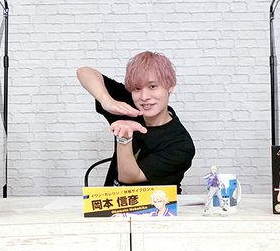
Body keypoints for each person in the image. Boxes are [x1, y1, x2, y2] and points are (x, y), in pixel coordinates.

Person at [77, 51, 195, 193]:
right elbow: (84, 72)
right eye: (137, 89)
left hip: (156, 205)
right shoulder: (129, 107)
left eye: (152, 86)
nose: (144, 97)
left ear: (170, 85)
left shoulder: (181, 145)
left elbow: (129, 177)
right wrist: (106, 100)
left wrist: (125, 137)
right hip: (113, 202)